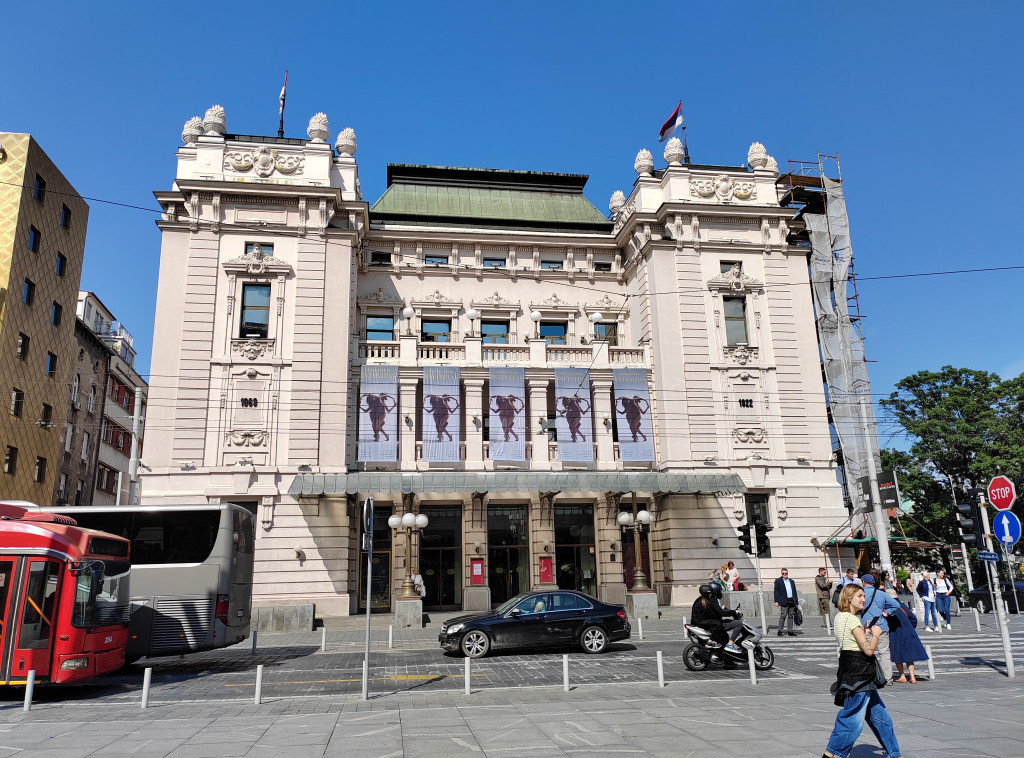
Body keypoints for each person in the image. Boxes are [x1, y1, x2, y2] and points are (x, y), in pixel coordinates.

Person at [824, 584, 902, 758]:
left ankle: (895, 753)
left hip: (853, 671)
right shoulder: (852, 620)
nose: (863, 599)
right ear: (849, 598)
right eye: (859, 596)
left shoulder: (840, 617)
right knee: (852, 719)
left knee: (881, 717)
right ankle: (831, 754)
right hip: (859, 674)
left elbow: (850, 641)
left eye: (863, 596)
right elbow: (868, 650)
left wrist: (863, 632)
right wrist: (876, 634)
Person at [859, 574, 902, 685]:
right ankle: (888, 678)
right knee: (884, 652)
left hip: (867, 627)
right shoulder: (881, 593)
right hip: (882, 626)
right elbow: (896, 605)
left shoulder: (860, 594)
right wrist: (887, 613)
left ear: (863, 582)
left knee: (867, 652)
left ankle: (869, 677)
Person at [691, 583, 744, 652]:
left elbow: (713, 612)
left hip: (700, 623)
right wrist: (733, 612)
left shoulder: (700, 600)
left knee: (724, 633)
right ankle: (730, 645)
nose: (720, 592)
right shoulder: (712, 600)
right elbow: (720, 612)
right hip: (709, 623)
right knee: (739, 623)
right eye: (719, 590)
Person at [889, 599, 927, 684]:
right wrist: (910, 628)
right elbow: (913, 618)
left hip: (895, 633)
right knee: (909, 656)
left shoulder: (888, 606)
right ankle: (912, 677)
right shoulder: (902, 605)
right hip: (908, 631)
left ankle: (902, 676)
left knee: (897, 655)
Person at [774, 568, 799, 636]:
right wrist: (776, 601)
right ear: (781, 574)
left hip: (792, 600)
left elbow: (794, 592)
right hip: (784, 601)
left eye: (786, 573)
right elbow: (776, 591)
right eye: (783, 573)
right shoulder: (778, 581)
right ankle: (780, 630)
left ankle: (790, 631)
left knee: (791, 616)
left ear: (787, 573)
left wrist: (796, 602)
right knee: (783, 616)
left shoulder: (791, 581)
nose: (784, 574)